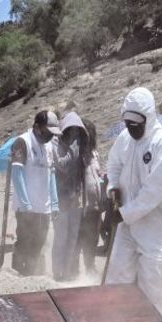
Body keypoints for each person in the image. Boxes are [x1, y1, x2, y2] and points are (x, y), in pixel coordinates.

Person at [104, 87, 162, 313]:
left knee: (152, 292)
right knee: (117, 279)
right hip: (127, 225)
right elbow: (114, 165)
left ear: (149, 117)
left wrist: (124, 214)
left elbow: (153, 192)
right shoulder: (124, 139)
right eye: (128, 123)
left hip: (156, 230)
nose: (132, 128)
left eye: (136, 124)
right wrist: (113, 187)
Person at [10, 110, 59, 275]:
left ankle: (36, 277)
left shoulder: (49, 145)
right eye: (48, 132)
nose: (50, 136)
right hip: (27, 209)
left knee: (40, 244)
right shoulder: (22, 142)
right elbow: (17, 175)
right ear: (37, 127)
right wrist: (25, 205)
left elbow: (51, 174)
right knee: (25, 243)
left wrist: (55, 202)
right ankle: (19, 276)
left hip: (44, 208)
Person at [52, 112, 94, 281]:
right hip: (61, 200)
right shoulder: (57, 146)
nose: (74, 134)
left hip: (75, 200)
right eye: (71, 130)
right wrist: (72, 151)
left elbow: (84, 176)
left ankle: (68, 271)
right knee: (61, 238)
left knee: (73, 238)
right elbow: (61, 166)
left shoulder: (81, 149)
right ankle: (57, 272)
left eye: (77, 131)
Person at [75, 118, 105, 277]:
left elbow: (96, 174)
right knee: (79, 238)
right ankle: (76, 270)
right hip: (82, 206)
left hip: (95, 205)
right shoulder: (76, 156)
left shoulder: (94, 154)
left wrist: (102, 176)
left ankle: (90, 266)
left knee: (92, 238)